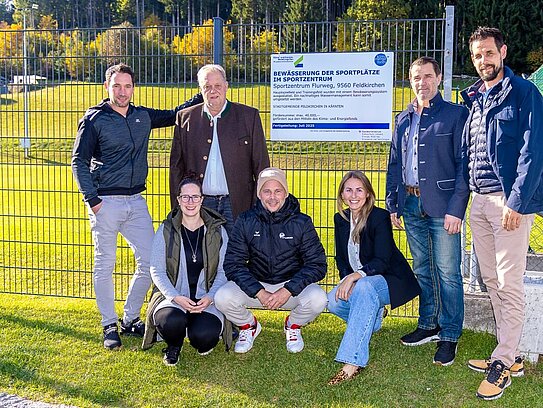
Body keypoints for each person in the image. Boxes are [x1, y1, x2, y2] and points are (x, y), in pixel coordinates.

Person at [71, 63, 202, 350]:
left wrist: (203, 92)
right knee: (105, 264)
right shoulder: (94, 119)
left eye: (127, 86)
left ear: (133, 88)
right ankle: (109, 324)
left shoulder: (141, 115)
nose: (122, 92)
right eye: (116, 86)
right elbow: (78, 161)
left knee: (151, 262)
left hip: (136, 202)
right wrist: (93, 200)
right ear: (107, 87)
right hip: (105, 202)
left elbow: (175, 114)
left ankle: (130, 319)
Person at [461, 27, 543, 400]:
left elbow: (533, 150)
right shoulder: (476, 98)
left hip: (508, 203)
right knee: (491, 279)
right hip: (479, 201)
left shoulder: (524, 93)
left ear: (503, 52)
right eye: (478, 55)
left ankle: (504, 362)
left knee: (509, 282)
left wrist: (517, 201)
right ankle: (510, 353)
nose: (484, 60)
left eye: (489, 53)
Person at [385, 56, 469, 366]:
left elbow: (464, 165)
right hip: (410, 204)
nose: (422, 82)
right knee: (423, 267)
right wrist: (393, 203)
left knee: (447, 271)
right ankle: (428, 323)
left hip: (443, 207)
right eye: (417, 77)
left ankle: (450, 333)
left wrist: (456, 209)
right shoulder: (403, 118)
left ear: (439, 78)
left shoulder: (456, 115)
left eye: (428, 76)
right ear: (410, 81)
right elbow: (394, 162)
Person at [214, 167, 328, 354]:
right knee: (222, 298)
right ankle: (249, 326)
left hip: (290, 288)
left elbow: (317, 264)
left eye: (278, 191)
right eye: (266, 191)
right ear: (259, 194)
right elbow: (233, 264)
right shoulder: (245, 220)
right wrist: (259, 291)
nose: (272, 197)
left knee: (318, 299)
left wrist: (288, 289)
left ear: (286, 193)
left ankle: (293, 325)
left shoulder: (302, 222)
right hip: (257, 286)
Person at [327, 171, 421, 385]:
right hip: (362, 282)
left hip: (388, 279)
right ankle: (374, 315)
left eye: (359, 190)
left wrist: (355, 277)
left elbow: (382, 260)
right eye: (348, 190)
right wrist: (346, 278)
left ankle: (352, 362)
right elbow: (341, 257)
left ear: (368, 194)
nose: (354, 195)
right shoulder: (340, 219)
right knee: (332, 301)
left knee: (364, 288)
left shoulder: (379, 217)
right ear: (342, 194)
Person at [169, 64, 270, 235]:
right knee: (202, 250)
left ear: (226, 86)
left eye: (217, 85)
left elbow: (261, 166)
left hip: (238, 203)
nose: (213, 91)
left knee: (238, 250)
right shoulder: (185, 118)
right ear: (200, 89)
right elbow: (176, 168)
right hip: (200, 204)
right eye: (207, 86)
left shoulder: (248, 116)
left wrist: (259, 205)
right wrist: (177, 206)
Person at [141, 176, 232, 366]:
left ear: (202, 199)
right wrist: (175, 297)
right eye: (185, 197)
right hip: (174, 297)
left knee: (204, 338)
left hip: (206, 298)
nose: (190, 202)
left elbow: (224, 270)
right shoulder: (166, 230)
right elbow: (156, 270)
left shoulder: (217, 231)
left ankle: (195, 328)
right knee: (171, 322)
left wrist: (210, 297)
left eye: (195, 196)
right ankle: (174, 344)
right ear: (178, 199)